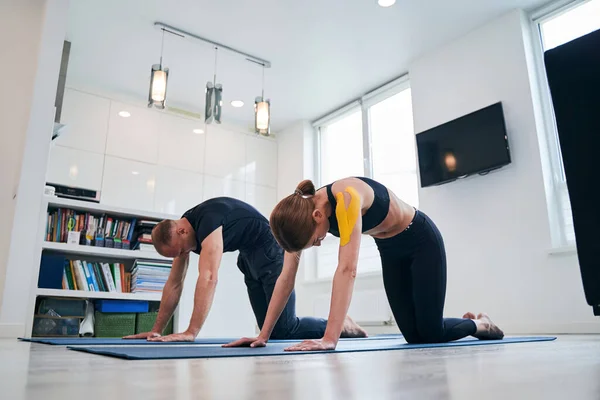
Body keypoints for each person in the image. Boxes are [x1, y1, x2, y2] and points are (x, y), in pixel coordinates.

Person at [225, 177, 503, 351]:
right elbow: (286, 278)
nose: (319, 243)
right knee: (414, 337)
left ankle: (480, 325)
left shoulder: (346, 199)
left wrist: (329, 339)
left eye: (315, 240)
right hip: (391, 250)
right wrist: (264, 335)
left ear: (319, 215)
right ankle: (470, 324)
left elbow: (347, 269)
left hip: (422, 242)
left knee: (430, 332)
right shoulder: (300, 214)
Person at [124, 196, 366, 342]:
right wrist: (156, 331)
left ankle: (342, 325)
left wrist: (191, 331)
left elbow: (208, 277)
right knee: (270, 333)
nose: (181, 256)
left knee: (285, 328)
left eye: (179, 251)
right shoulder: (186, 230)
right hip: (248, 260)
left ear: (181, 231)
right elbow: (174, 283)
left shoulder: (208, 222)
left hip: (270, 251)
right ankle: (336, 324)